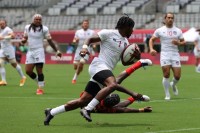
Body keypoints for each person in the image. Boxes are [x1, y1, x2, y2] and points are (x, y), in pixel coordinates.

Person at [78, 15, 152, 122]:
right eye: (131, 28)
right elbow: (89, 39)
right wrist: (84, 48)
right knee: (113, 84)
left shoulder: (126, 42)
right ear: (126, 27)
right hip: (99, 65)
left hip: (106, 69)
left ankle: (52, 112)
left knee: (84, 99)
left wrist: (136, 58)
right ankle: (87, 109)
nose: (132, 31)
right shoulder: (108, 33)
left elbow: (124, 62)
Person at [44, 58, 152, 125]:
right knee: (115, 82)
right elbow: (123, 107)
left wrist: (135, 98)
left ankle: (52, 112)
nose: (110, 94)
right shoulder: (110, 108)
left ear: (106, 98)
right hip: (96, 90)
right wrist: (137, 102)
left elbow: (123, 107)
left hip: (91, 98)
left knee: (81, 101)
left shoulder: (105, 107)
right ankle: (53, 111)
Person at [21, 14, 62, 95]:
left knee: (39, 70)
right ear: (33, 20)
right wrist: (23, 41)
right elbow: (25, 37)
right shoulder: (27, 27)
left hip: (39, 51)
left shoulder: (44, 29)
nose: (38, 21)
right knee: (28, 71)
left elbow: (50, 41)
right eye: (36, 19)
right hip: (30, 51)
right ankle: (40, 82)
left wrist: (57, 51)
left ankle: (40, 89)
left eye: (39, 19)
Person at [149, 12, 186, 100]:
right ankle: (167, 94)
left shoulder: (178, 30)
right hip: (165, 54)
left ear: (173, 19)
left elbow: (184, 42)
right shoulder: (160, 30)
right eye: (168, 18)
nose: (170, 19)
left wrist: (178, 43)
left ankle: (173, 84)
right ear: (165, 19)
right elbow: (151, 39)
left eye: (172, 18)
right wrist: (151, 49)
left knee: (177, 76)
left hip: (175, 54)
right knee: (166, 74)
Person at [0, 19, 26, 86]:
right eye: (0, 24)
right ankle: (3, 81)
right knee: (0, 63)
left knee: (13, 64)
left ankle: (23, 77)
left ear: (5, 24)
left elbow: (13, 36)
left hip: (9, 49)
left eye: (2, 23)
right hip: (2, 49)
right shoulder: (1, 30)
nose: (1, 25)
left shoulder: (7, 29)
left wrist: (3, 37)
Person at [72, 20, 95, 84]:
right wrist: (75, 40)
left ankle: (75, 77)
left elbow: (93, 40)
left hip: (87, 49)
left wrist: (94, 45)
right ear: (82, 25)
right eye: (84, 24)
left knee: (81, 62)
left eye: (86, 24)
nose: (85, 25)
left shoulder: (92, 32)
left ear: (88, 25)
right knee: (75, 66)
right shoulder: (78, 32)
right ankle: (79, 68)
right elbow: (74, 40)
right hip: (79, 49)